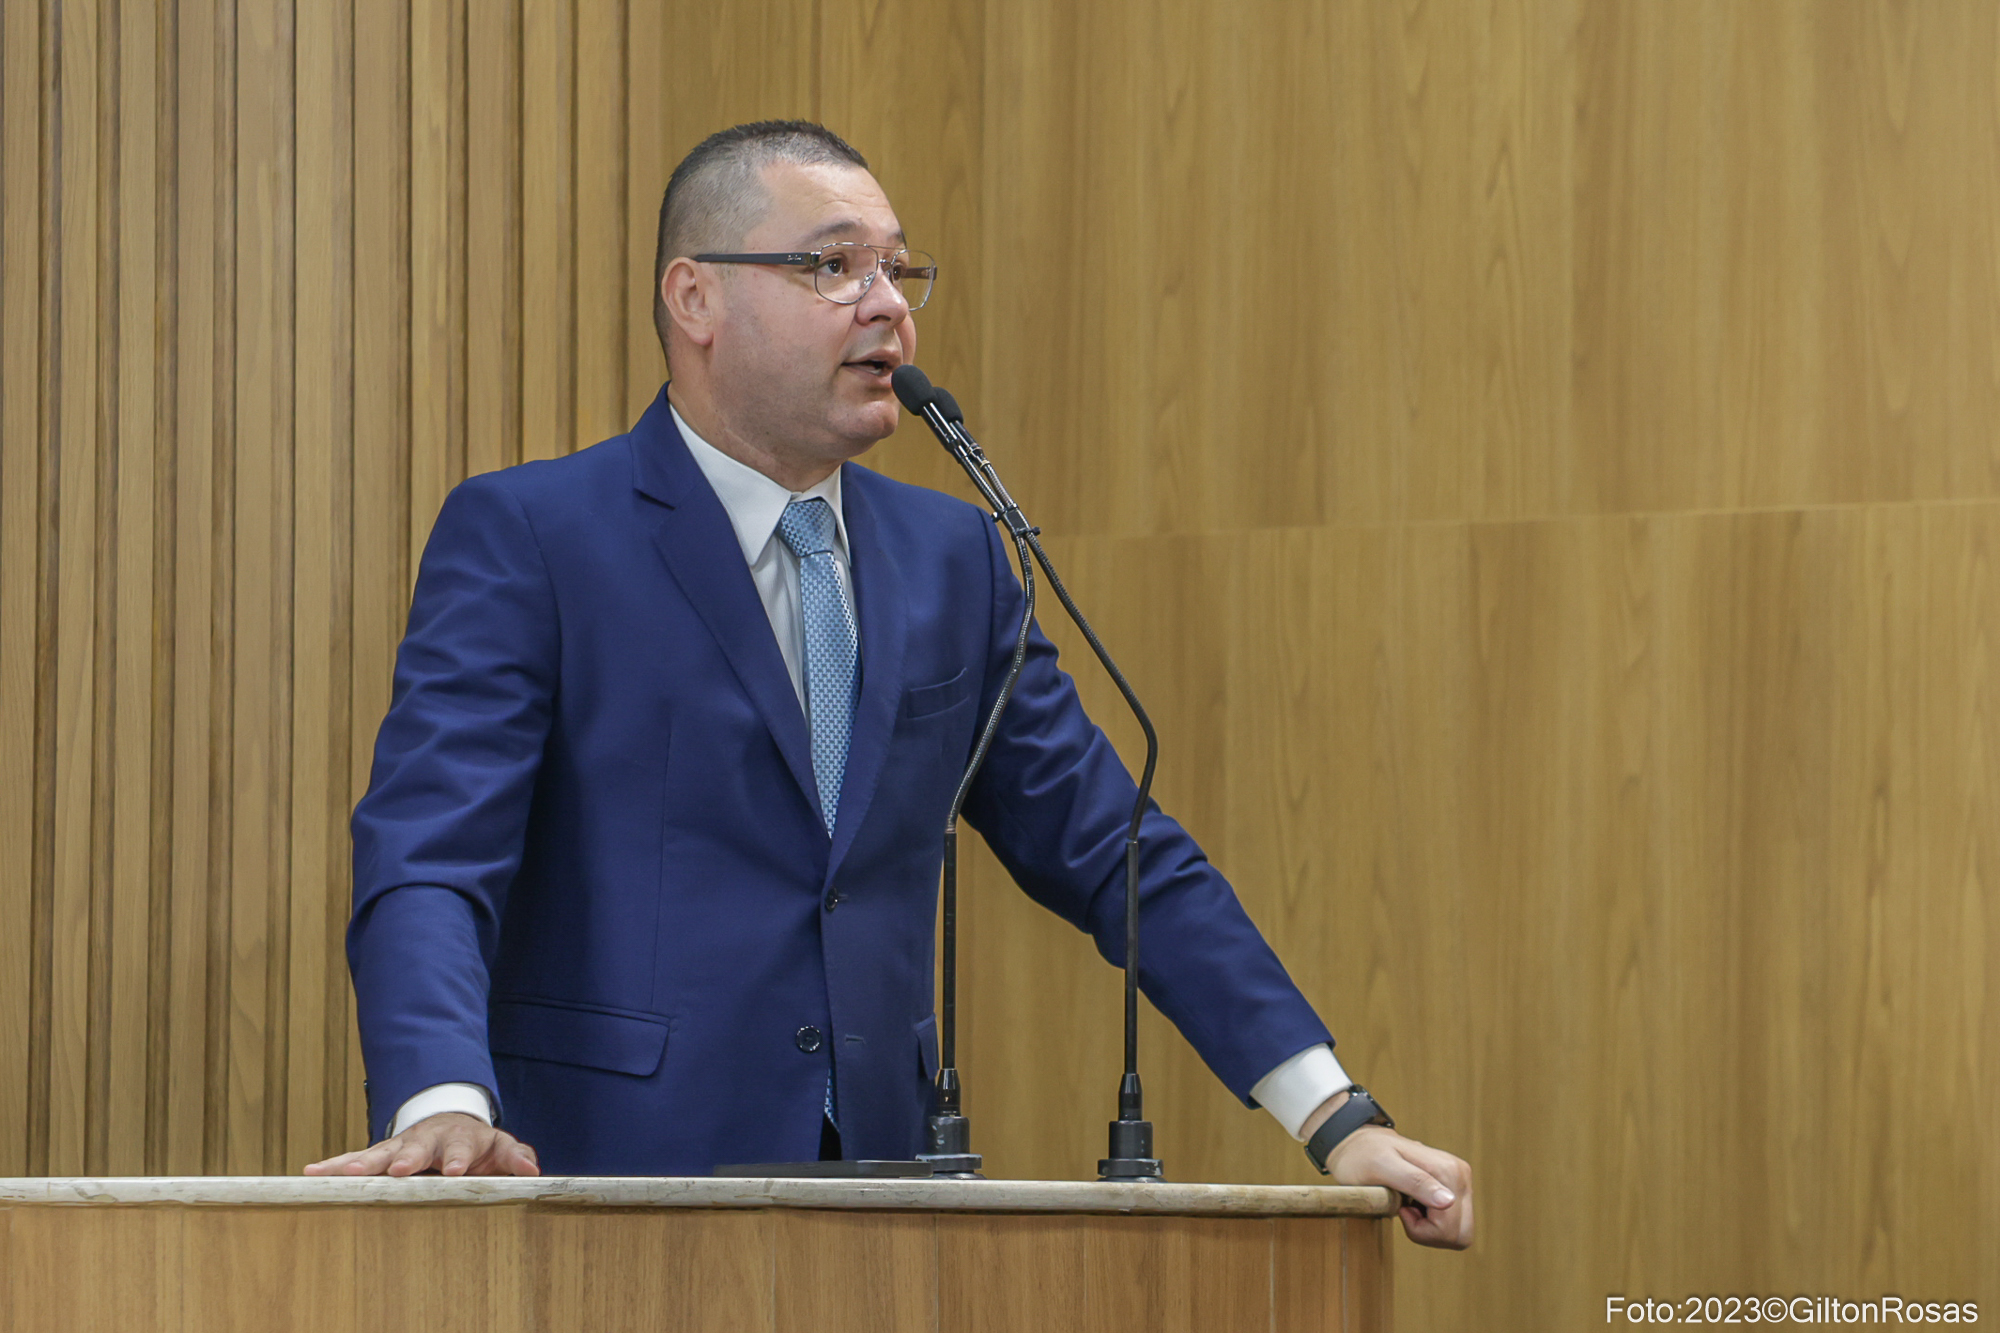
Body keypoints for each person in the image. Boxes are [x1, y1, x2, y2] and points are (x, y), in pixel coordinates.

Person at [306, 121, 1472, 1249]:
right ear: (694, 298)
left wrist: (1333, 1115)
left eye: (897, 270)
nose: (887, 306)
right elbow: (429, 853)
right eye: (832, 266)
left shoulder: (952, 560)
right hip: (605, 1193)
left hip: (885, 1210)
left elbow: (1117, 854)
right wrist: (439, 1097)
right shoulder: (535, 535)